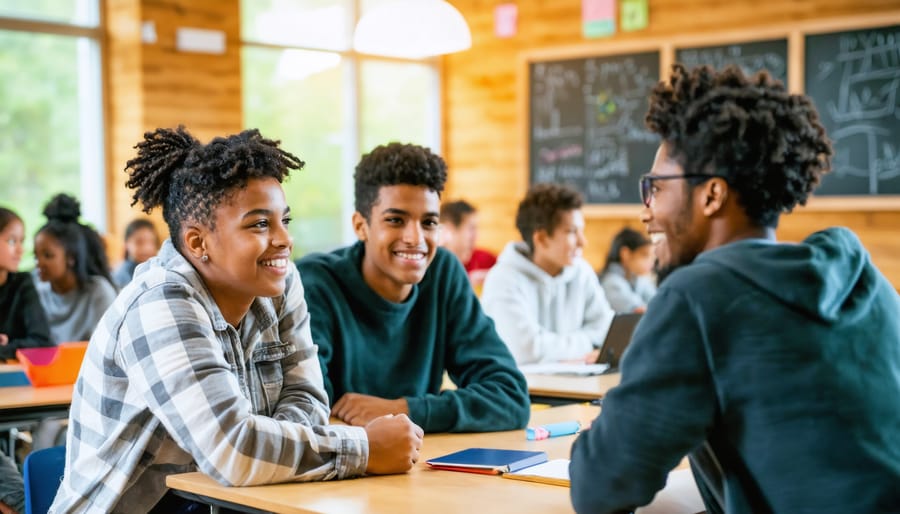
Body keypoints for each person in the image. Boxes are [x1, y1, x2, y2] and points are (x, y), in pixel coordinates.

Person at [569, 65, 900, 514]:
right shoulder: (859, 272)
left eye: (654, 188)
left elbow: (600, 488)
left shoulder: (696, 296)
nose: (645, 211)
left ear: (711, 196)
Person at [50, 127, 423, 513]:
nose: (284, 240)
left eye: (285, 221)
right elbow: (233, 449)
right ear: (198, 243)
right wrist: (365, 448)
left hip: (226, 501)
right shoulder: (159, 303)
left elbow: (308, 398)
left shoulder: (278, 281)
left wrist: (271, 448)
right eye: (260, 224)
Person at [296, 142, 530, 433]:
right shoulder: (316, 283)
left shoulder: (443, 272)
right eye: (396, 220)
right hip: (341, 467)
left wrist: (404, 409)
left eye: (429, 222)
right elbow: (306, 411)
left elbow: (511, 397)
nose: (415, 238)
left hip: (419, 463)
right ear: (361, 226)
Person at [480, 183, 614, 366]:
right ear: (541, 238)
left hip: (579, 387)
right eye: (572, 232)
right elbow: (526, 350)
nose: (583, 242)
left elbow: (607, 332)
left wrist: (551, 348)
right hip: (523, 391)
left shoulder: (582, 272)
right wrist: (588, 343)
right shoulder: (503, 279)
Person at [32, 194, 117, 344]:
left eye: (48, 255)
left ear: (70, 258)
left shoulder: (98, 292)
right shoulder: (36, 293)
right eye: (35, 256)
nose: (39, 263)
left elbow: (109, 346)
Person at [0, 207, 52, 360]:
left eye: (21, 241)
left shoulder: (23, 284)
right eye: (11, 241)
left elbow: (42, 342)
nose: (20, 250)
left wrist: (6, 347)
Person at [438, 200, 496, 289]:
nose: (476, 236)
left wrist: (494, 276)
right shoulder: (434, 266)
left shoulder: (485, 259)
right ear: (450, 229)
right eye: (471, 228)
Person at [598, 227, 657, 313]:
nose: (651, 262)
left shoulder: (639, 279)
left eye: (652, 257)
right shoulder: (611, 283)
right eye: (644, 255)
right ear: (625, 253)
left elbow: (658, 302)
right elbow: (639, 312)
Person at [111, 218, 160, 288]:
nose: (147, 248)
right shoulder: (124, 275)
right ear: (126, 244)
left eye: (151, 242)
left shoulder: (157, 268)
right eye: (139, 242)